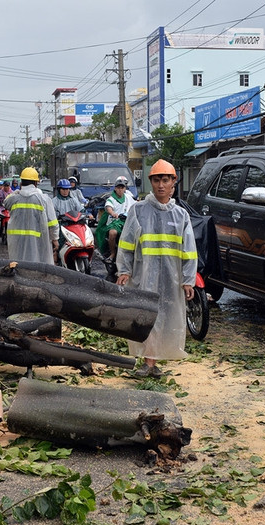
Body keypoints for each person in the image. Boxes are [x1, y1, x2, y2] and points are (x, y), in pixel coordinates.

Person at [116, 160, 197, 378]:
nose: (161, 185)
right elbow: (126, 244)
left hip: (171, 278)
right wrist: (124, 270)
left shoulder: (181, 215)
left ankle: (153, 361)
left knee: (165, 316)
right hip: (144, 275)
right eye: (156, 180)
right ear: (151, 182)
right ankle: (148, 361)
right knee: (145, 316)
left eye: (165, 180)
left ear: (173, 182)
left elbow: (189, 251)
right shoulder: (139, 210)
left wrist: (188, 279)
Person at [3, 167, 59, 264]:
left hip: (18, 243)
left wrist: (17, 191)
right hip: (38, 242)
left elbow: (6, 202)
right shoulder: (44, 199)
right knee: (38, 269)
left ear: (21, 183)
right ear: (36, 183)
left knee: (20, 268)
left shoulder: (14, 199)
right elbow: (53, 223)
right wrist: (55, 239)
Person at [96, 176, 135, 264]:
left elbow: (136, 205)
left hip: (127, 222)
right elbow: (109, 207)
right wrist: (113, 213)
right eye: (118, 188)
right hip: (114, 222)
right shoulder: (111, 199)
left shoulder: (128, 197)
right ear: (115, 188)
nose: (120, 190)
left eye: (122, 187)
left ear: (125, 188)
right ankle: (113, 253)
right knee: (112, 233)